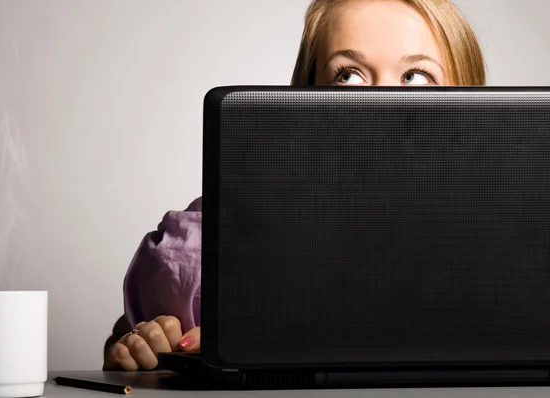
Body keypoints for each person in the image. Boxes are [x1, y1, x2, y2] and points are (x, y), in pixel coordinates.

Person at [103, 0, 486, 371]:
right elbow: (143, 332)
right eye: (349, 75)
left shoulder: (512, 233)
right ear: (305, 92)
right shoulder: (219, 236)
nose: (379, 101)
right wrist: (138, 345)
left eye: (415, 76)